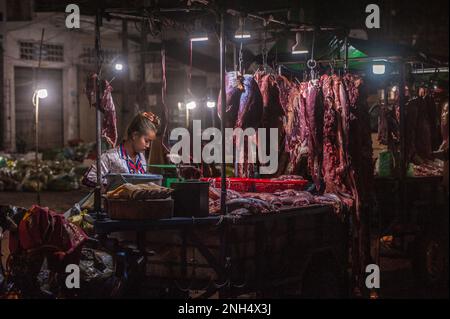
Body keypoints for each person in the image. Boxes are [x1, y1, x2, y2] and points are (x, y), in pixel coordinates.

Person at [82, 112, 160, 189]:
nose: (148, 145)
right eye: (146, 141)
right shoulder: (111, 156)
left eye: (150, 142)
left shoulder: (141, 158)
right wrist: (115, 185)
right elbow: (88, 178)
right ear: (135, 135)